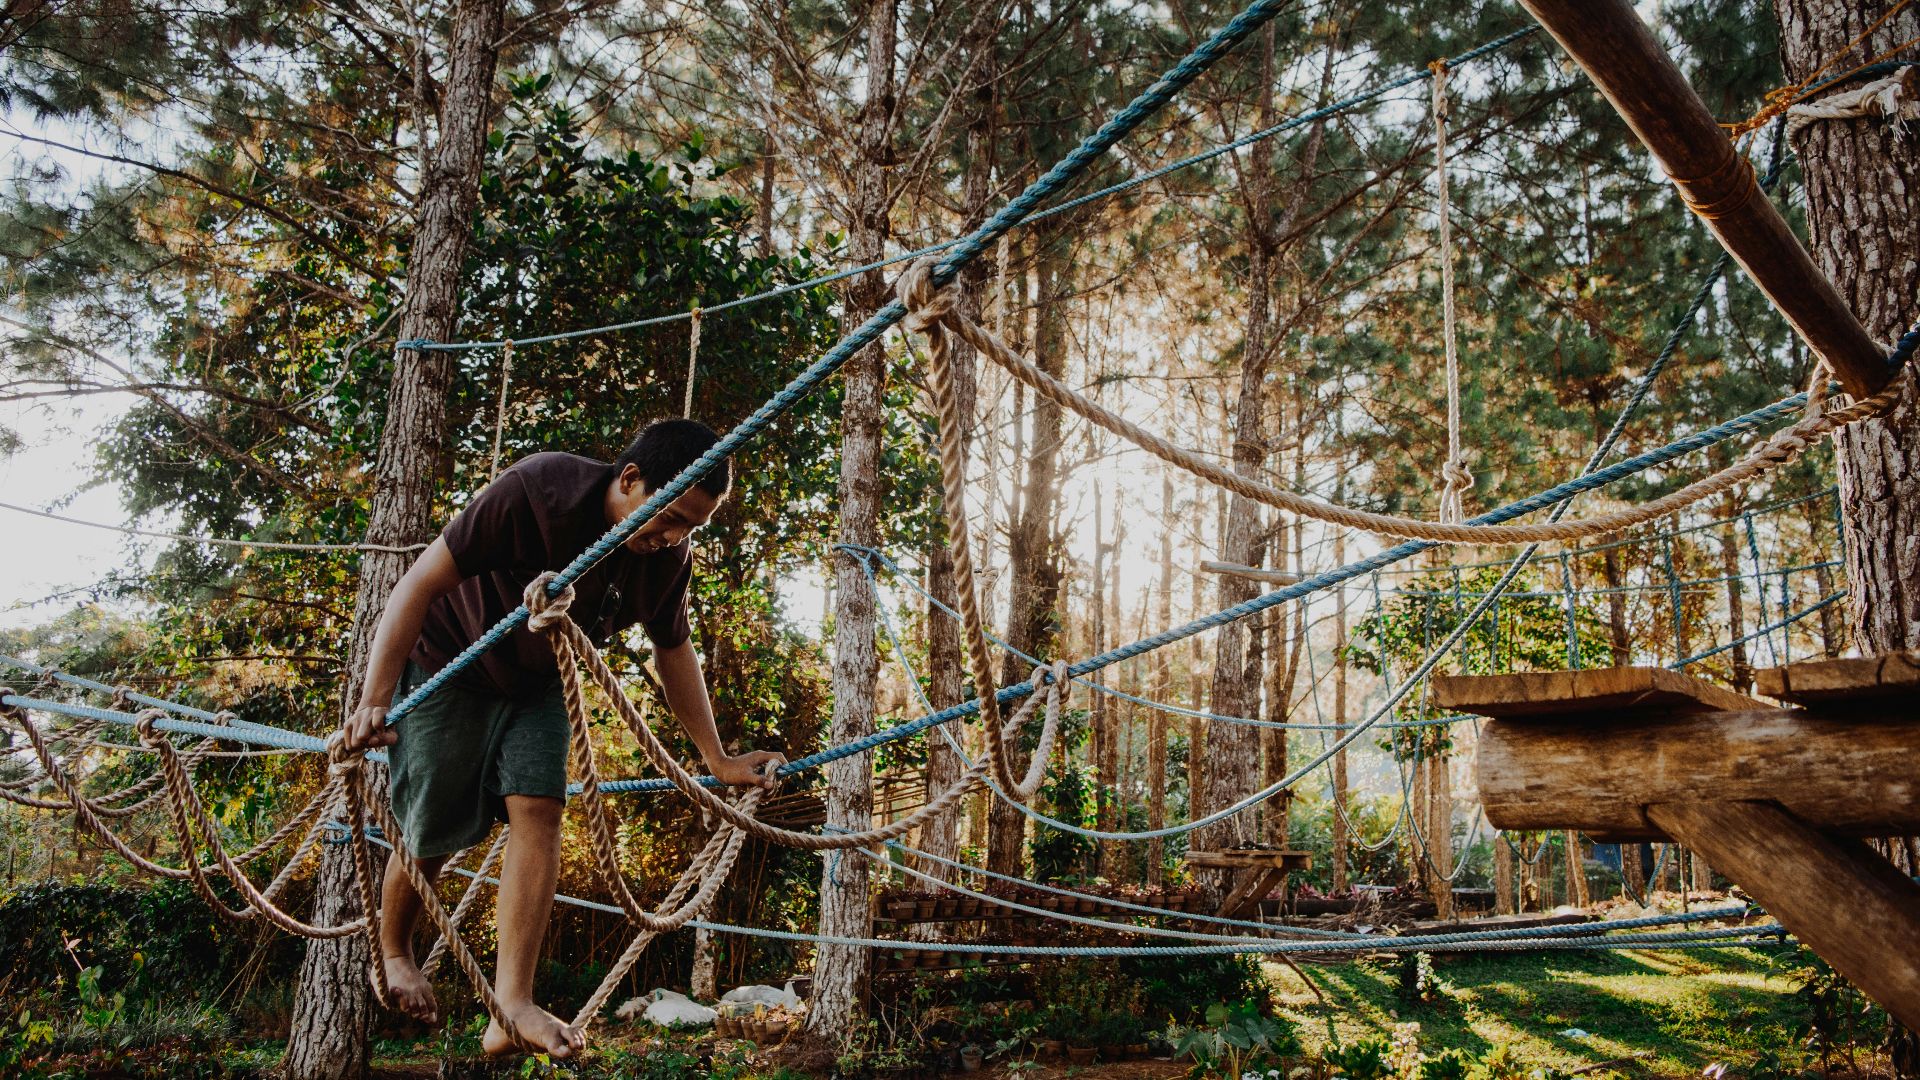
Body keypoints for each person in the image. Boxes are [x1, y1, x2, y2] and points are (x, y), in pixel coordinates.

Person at [338, 418, 784, 1058]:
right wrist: (375, 700)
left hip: (537, 684)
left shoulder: (666, 562)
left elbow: (675, 651)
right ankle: (396, 951)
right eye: (670, 516)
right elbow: (419, 582)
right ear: (629, 479)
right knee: (429, 825)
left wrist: (717, 758)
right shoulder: (537, 491)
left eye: (692, 526)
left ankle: (511, 1006)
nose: (673, 537)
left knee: (541, 811)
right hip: (450, 662)